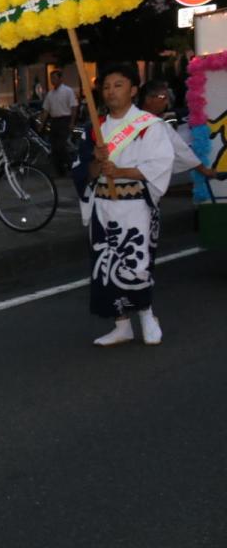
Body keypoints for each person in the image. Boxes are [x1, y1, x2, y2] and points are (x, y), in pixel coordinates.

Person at [83, 64, 173, 347]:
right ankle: (121, 325)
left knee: (135, 262)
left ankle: (147, 316)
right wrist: (98, 161)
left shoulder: (148, 125)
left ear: (133, 90)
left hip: (135, 205)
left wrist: (120, 172)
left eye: (118, 85)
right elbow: (86, 174)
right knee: (105, 266)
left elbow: (159, 165)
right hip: (103, 205)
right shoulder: (97, 129)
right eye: (107, 86)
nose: (111, 91)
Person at [139, 80, 218, 180]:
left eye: (167, 98)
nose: (166, 102)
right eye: (162, 98)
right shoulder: (156, 124)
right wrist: (204, 171)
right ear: (148, 99)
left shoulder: (133, 117)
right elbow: (180, 149)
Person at [41, 70, 79, 177]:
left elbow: (74, 107)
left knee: (61, 146)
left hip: (64, 120)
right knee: (54, 147)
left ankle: (72, 165)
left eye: (54, 78)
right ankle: (60, 171)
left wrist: (72, 122)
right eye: (51, 78)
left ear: (60, 78)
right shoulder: (50, 94)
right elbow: (45, 110)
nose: (52, 80)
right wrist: (41, 123)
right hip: (54, 121)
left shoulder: (68, 91)